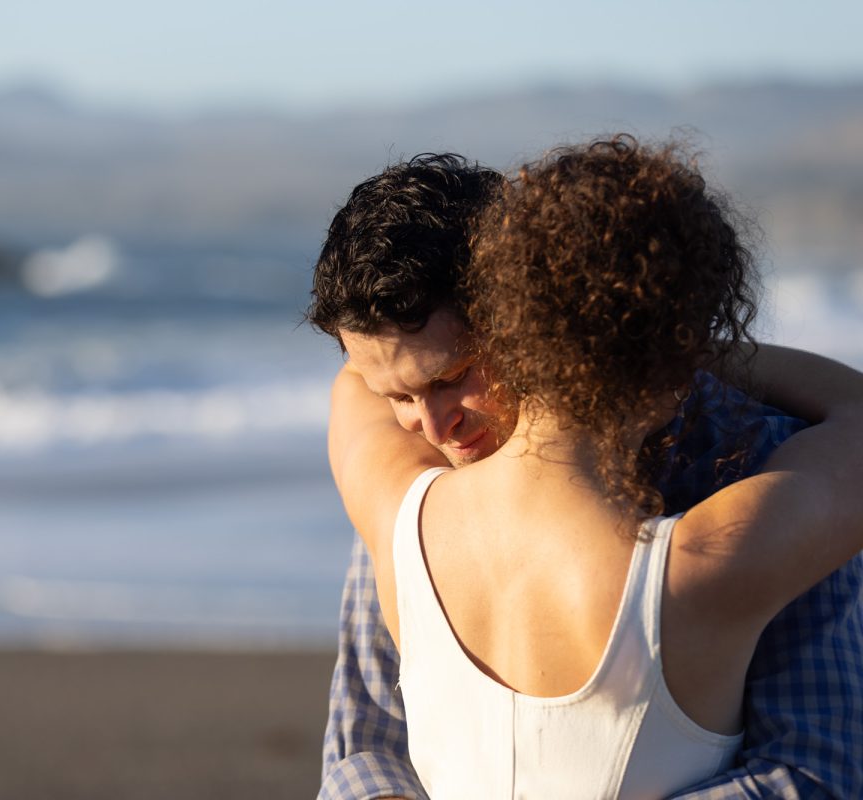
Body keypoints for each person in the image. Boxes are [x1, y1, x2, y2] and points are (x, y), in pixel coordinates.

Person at [309, 149, 863, 798]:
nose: (431, 430)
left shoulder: (402, 503)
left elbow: (811, 766)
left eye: (452, 377)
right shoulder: (723, 553)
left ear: (512, 321)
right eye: (396, 396)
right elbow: (364, 748)